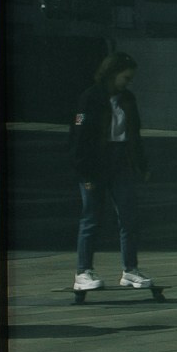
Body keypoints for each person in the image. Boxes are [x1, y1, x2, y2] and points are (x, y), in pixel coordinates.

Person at [70, 52, 152, 293]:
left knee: (129, 217)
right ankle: (83, 271)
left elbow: (135, 135)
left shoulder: (127, 99)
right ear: (113, 73)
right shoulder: (90, 98)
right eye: (125, 76)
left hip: (121, 163)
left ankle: (130, 270)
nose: (128, 81)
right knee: (91, 218)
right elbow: (78, 138)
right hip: (94, 165)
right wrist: (84, 172)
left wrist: (142, 165)